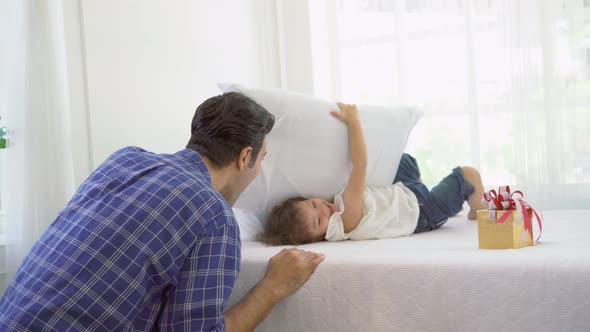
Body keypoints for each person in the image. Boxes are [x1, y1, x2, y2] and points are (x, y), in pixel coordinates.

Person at [0, 92, 325, 331]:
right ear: (244, 157)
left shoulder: (123, 160)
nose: (257, 171)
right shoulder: (214, 214)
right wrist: (272, 288)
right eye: (262, 159)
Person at [260, 102, 487, 245]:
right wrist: (354, 122)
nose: (323, 209)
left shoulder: (335, 209)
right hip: (423, 212)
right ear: (319, 237)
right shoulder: (347, 217)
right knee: (469, 175)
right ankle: (477, 210)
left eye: (312, 204)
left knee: (401, 160)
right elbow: (360, 164)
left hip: (404, 191)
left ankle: (433, 192)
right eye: (320, 220)